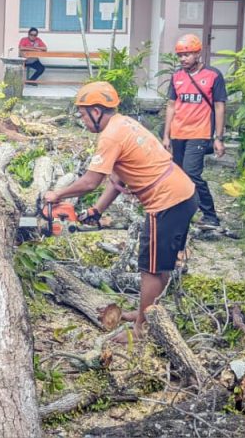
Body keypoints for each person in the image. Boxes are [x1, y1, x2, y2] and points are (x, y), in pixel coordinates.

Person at [43, 81, 196, 340]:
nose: (82, 120)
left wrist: (57, 194)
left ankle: (141, 330)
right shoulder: (124, 124)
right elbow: (117, 179)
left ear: (96, 111)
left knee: (150, 268)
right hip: (182, 194)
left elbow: (91, 182)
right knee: (160, 264)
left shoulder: (110, 136)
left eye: (83, 114)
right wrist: (96, 210)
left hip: (167, 201)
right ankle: (147, 314)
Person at [163, 33, 227, 229]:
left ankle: (210, 215)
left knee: (192, 173)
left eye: (187, 54)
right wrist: (166, 136)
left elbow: (219, 107)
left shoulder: (213, 75)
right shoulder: (176, 77)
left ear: (198, 54)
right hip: (177, 133)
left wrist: (218, 138)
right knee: (178, 175)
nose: (183, 59)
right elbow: (171, 106)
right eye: (180, 55)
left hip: (199, 133)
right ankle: (181, 212)